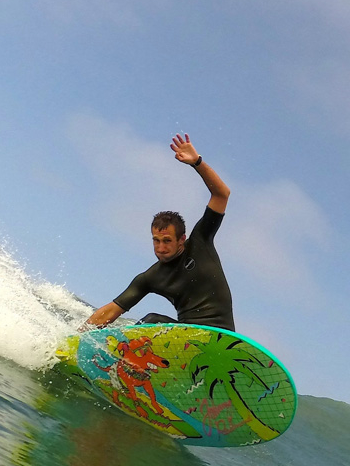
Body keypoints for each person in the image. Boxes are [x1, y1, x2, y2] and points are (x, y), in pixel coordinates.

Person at [82, 134, 235, 332]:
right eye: (156, 240)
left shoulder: (200, 242)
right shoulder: (151, 277)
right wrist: (78, 338)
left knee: (153, 319)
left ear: (182, 239)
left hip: (220, 335)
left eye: (167, 241)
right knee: (150, 321)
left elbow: (222, 194)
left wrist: (197, 162)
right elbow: (113, 310)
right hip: (185, 338)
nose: (160, 248)